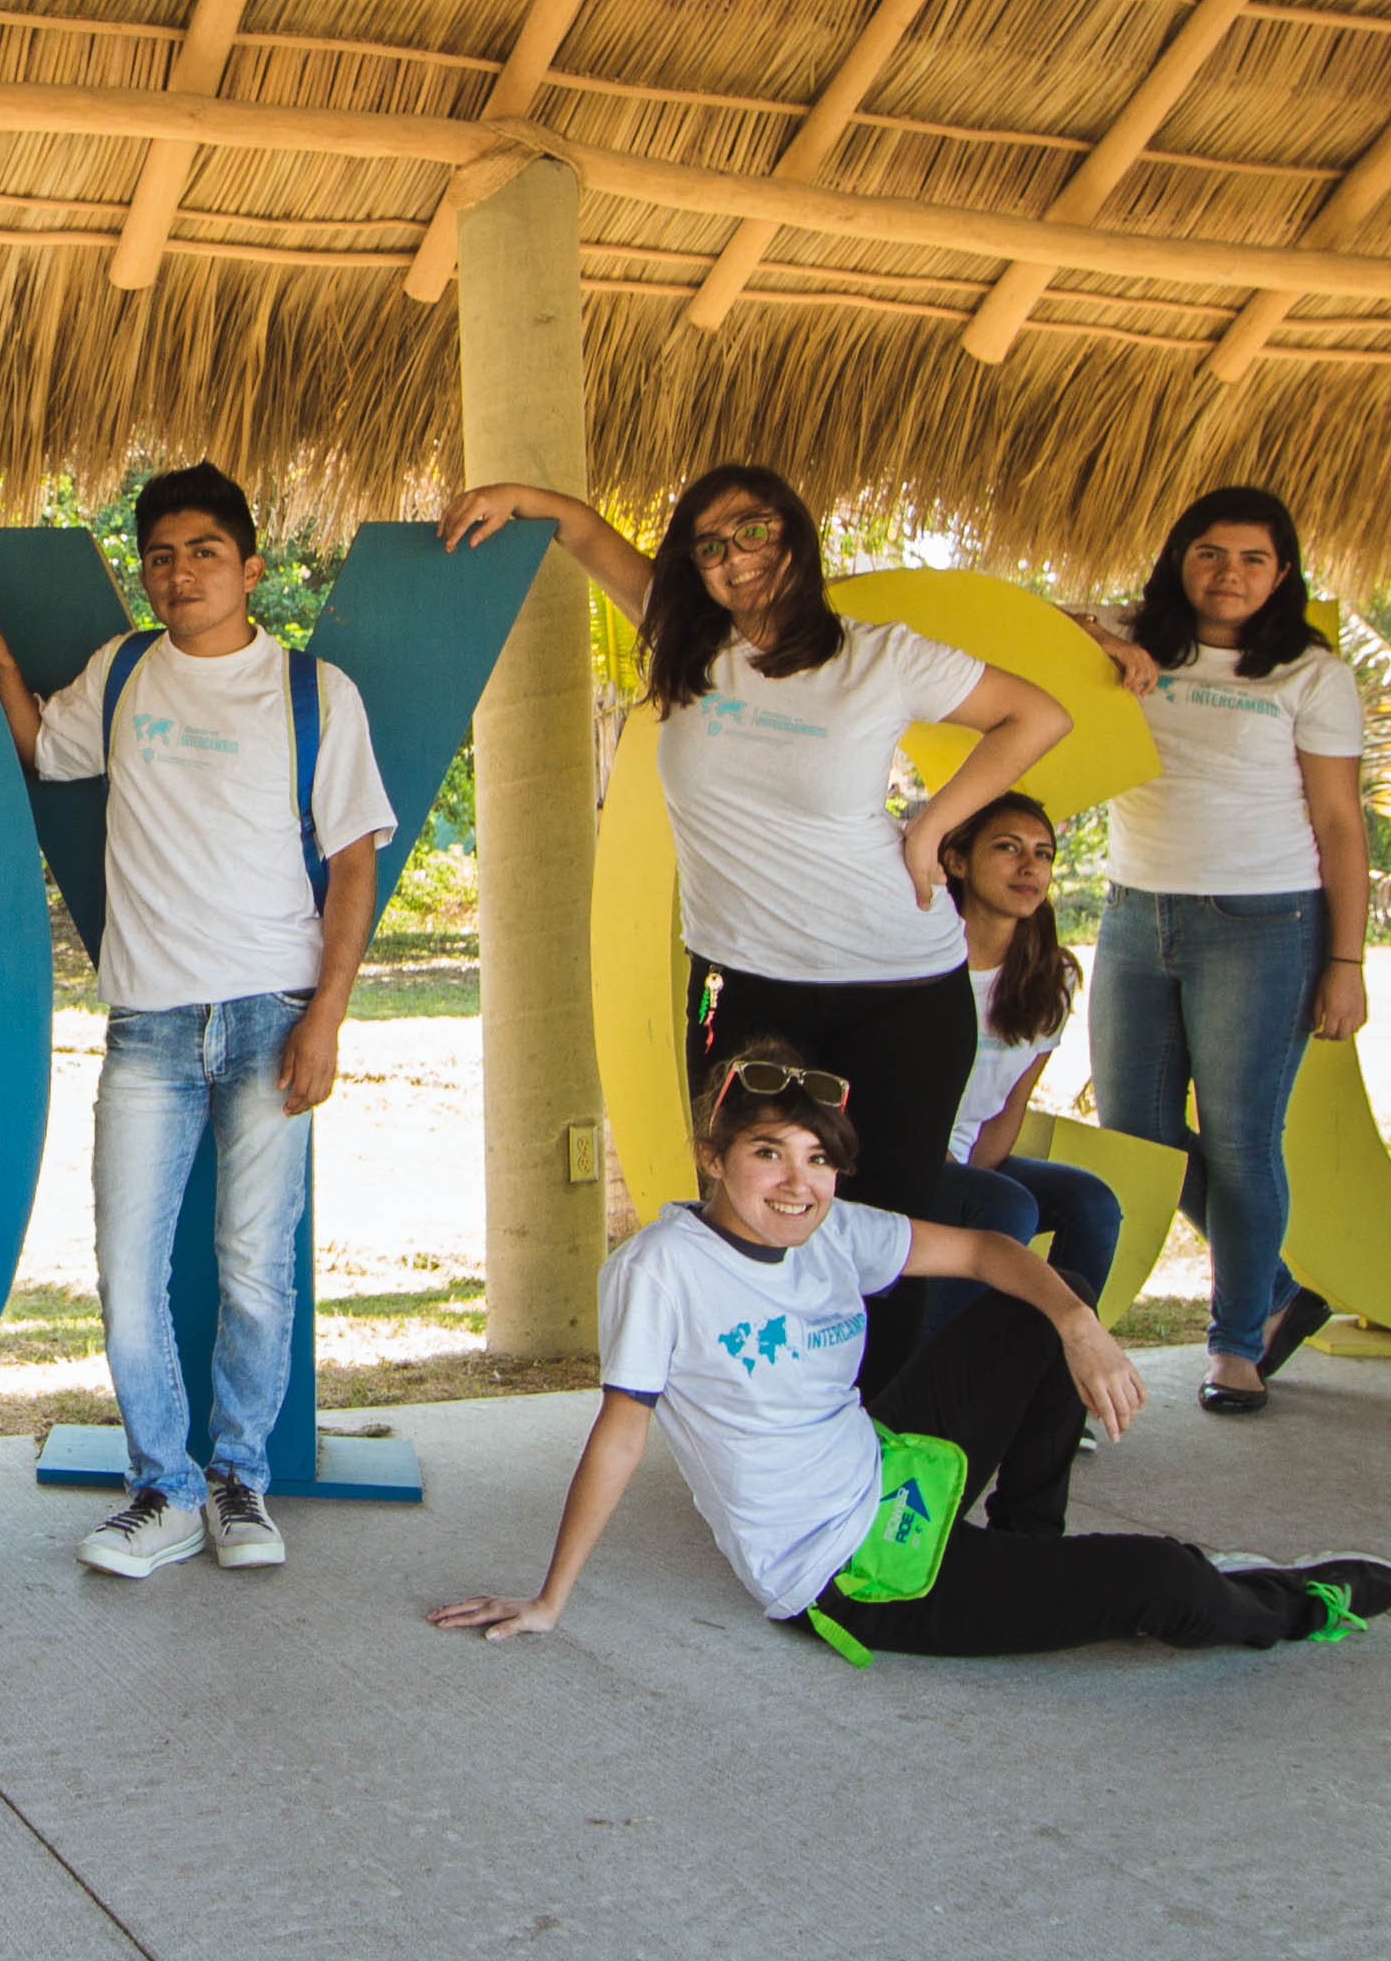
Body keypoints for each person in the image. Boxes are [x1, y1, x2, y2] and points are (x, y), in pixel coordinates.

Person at [428, 1048, 1391, 1661]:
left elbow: (988, 1251)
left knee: (1031, 1306)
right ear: (713, 1157)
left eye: (816, 1157)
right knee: (1166, 1584)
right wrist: (550, 1599)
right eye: (767, 1151)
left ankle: (1032, 1548)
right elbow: (618, 1436)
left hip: (885, 1463)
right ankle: (1299, 1604)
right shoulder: (659, 1270)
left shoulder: (834, 1227)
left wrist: (1079, 1326)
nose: (796, 1181)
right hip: (846, 1573)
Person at [440, 461, 1068, 1384]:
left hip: (900, 988)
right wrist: (508, 497)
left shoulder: (878, 655)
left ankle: (873, 1441)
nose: (733, 558)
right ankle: (765, 1420)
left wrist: (936, 822)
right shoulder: (685, 641)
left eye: (753, 533)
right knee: (752, 1212)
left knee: (879, 1224)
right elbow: (579, 529)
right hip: (750, 986)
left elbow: (1035, 714)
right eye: (708, 545)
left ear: (794, 537)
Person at [0, 463, 395, 1581]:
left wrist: (323, 1020)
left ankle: (238, 1476)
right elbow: (48, 751)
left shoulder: (311, 691)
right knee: (125, 1265)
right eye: (158, 555)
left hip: (268, 1014)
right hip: (145, 1023)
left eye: (201, 552)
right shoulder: (125, 667)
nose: (178, 572)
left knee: (253, 1267)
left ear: (248, 566)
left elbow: (350, 866)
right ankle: (163, 1488)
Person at [1064, 488, 1368, 1412]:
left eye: (1251, 558)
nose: (1227, 574)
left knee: (1240, 1140)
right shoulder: (1132, 636)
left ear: (1281, 573)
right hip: (1134, 914)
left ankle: (1236, 1343)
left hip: (1262, 923)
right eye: (1208, 552)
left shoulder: (1310, 672)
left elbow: (1338, 821)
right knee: (1136, 1134)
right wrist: (1102, 639)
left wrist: (1346, 962)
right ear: (1177, 558)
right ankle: (1277, 1292)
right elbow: (1015, 619)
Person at [925, 792, 1123, 1331]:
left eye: (1043, 853)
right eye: (1008, 848)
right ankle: (929, 1393)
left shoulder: (1049, 977)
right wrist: (952, 1180)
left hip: (969, 1156)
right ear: (957, 861)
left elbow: (1010, 1108)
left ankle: (1041, 1385)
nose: (1029, 865)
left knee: (1092, 1205)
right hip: (895, 1154)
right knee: (1007, 1208)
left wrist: (968, 1177)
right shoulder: (917, 954)